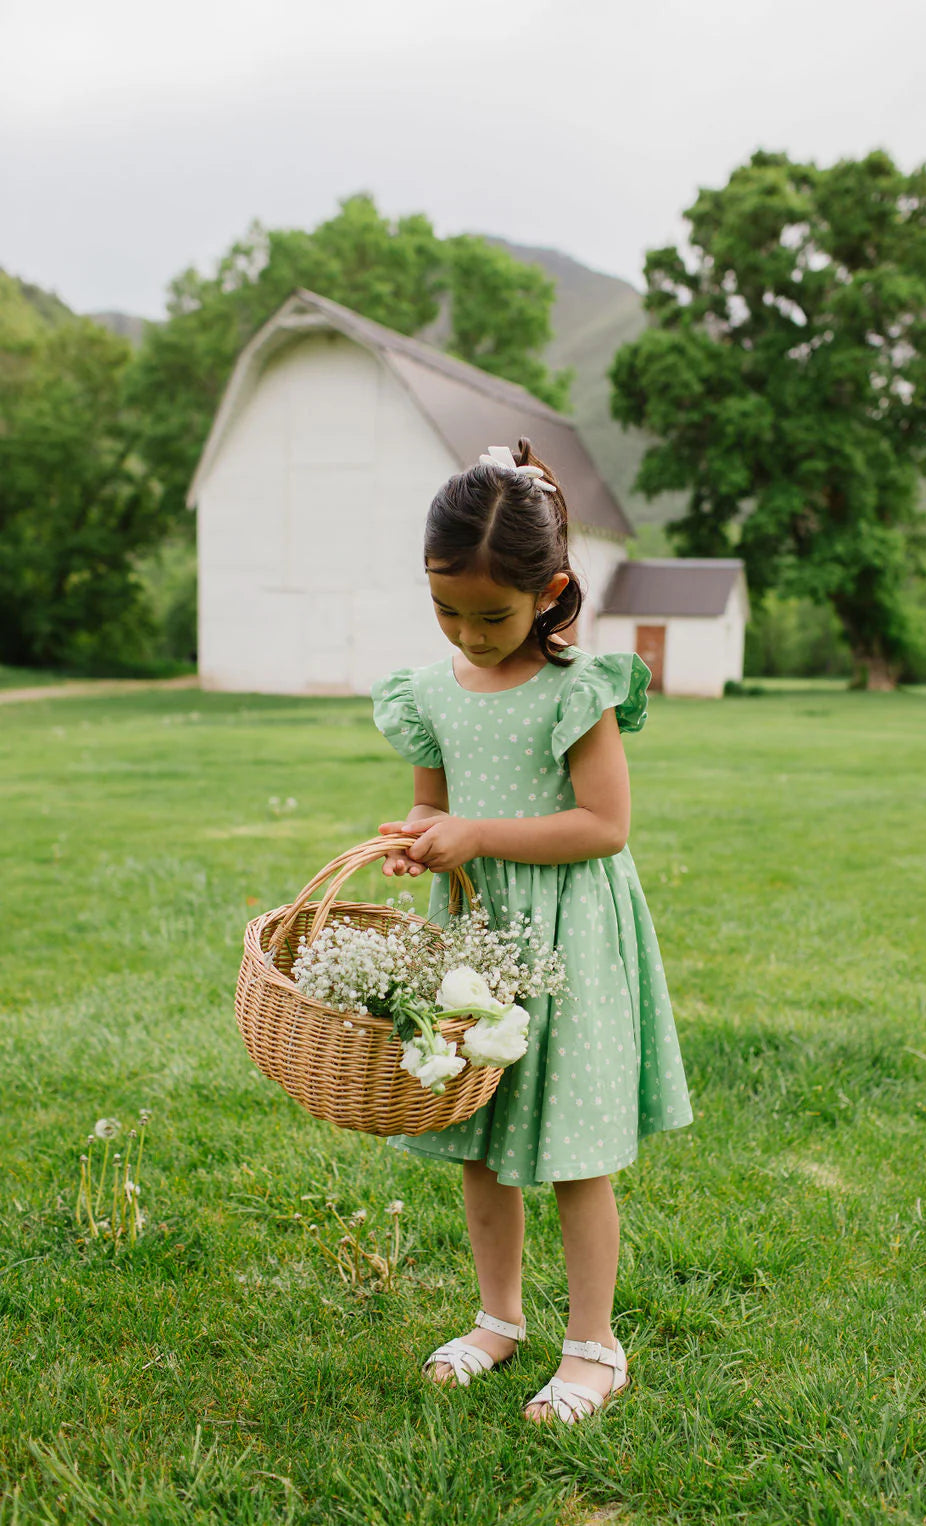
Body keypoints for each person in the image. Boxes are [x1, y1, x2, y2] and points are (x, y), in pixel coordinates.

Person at [370, 440, 692, 1425]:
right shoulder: (427, 694)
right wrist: (424, 844)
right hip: (475, 939)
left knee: (573, 1145)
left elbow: (604, 823)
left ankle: (594, 1343)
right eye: (447, 611)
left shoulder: (576, 688)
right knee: (478, 1133)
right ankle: (496, 1317)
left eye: (491, 614)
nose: (468, 634)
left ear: (547, 591)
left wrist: (480, 832)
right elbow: (434, 809)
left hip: (570, 938)